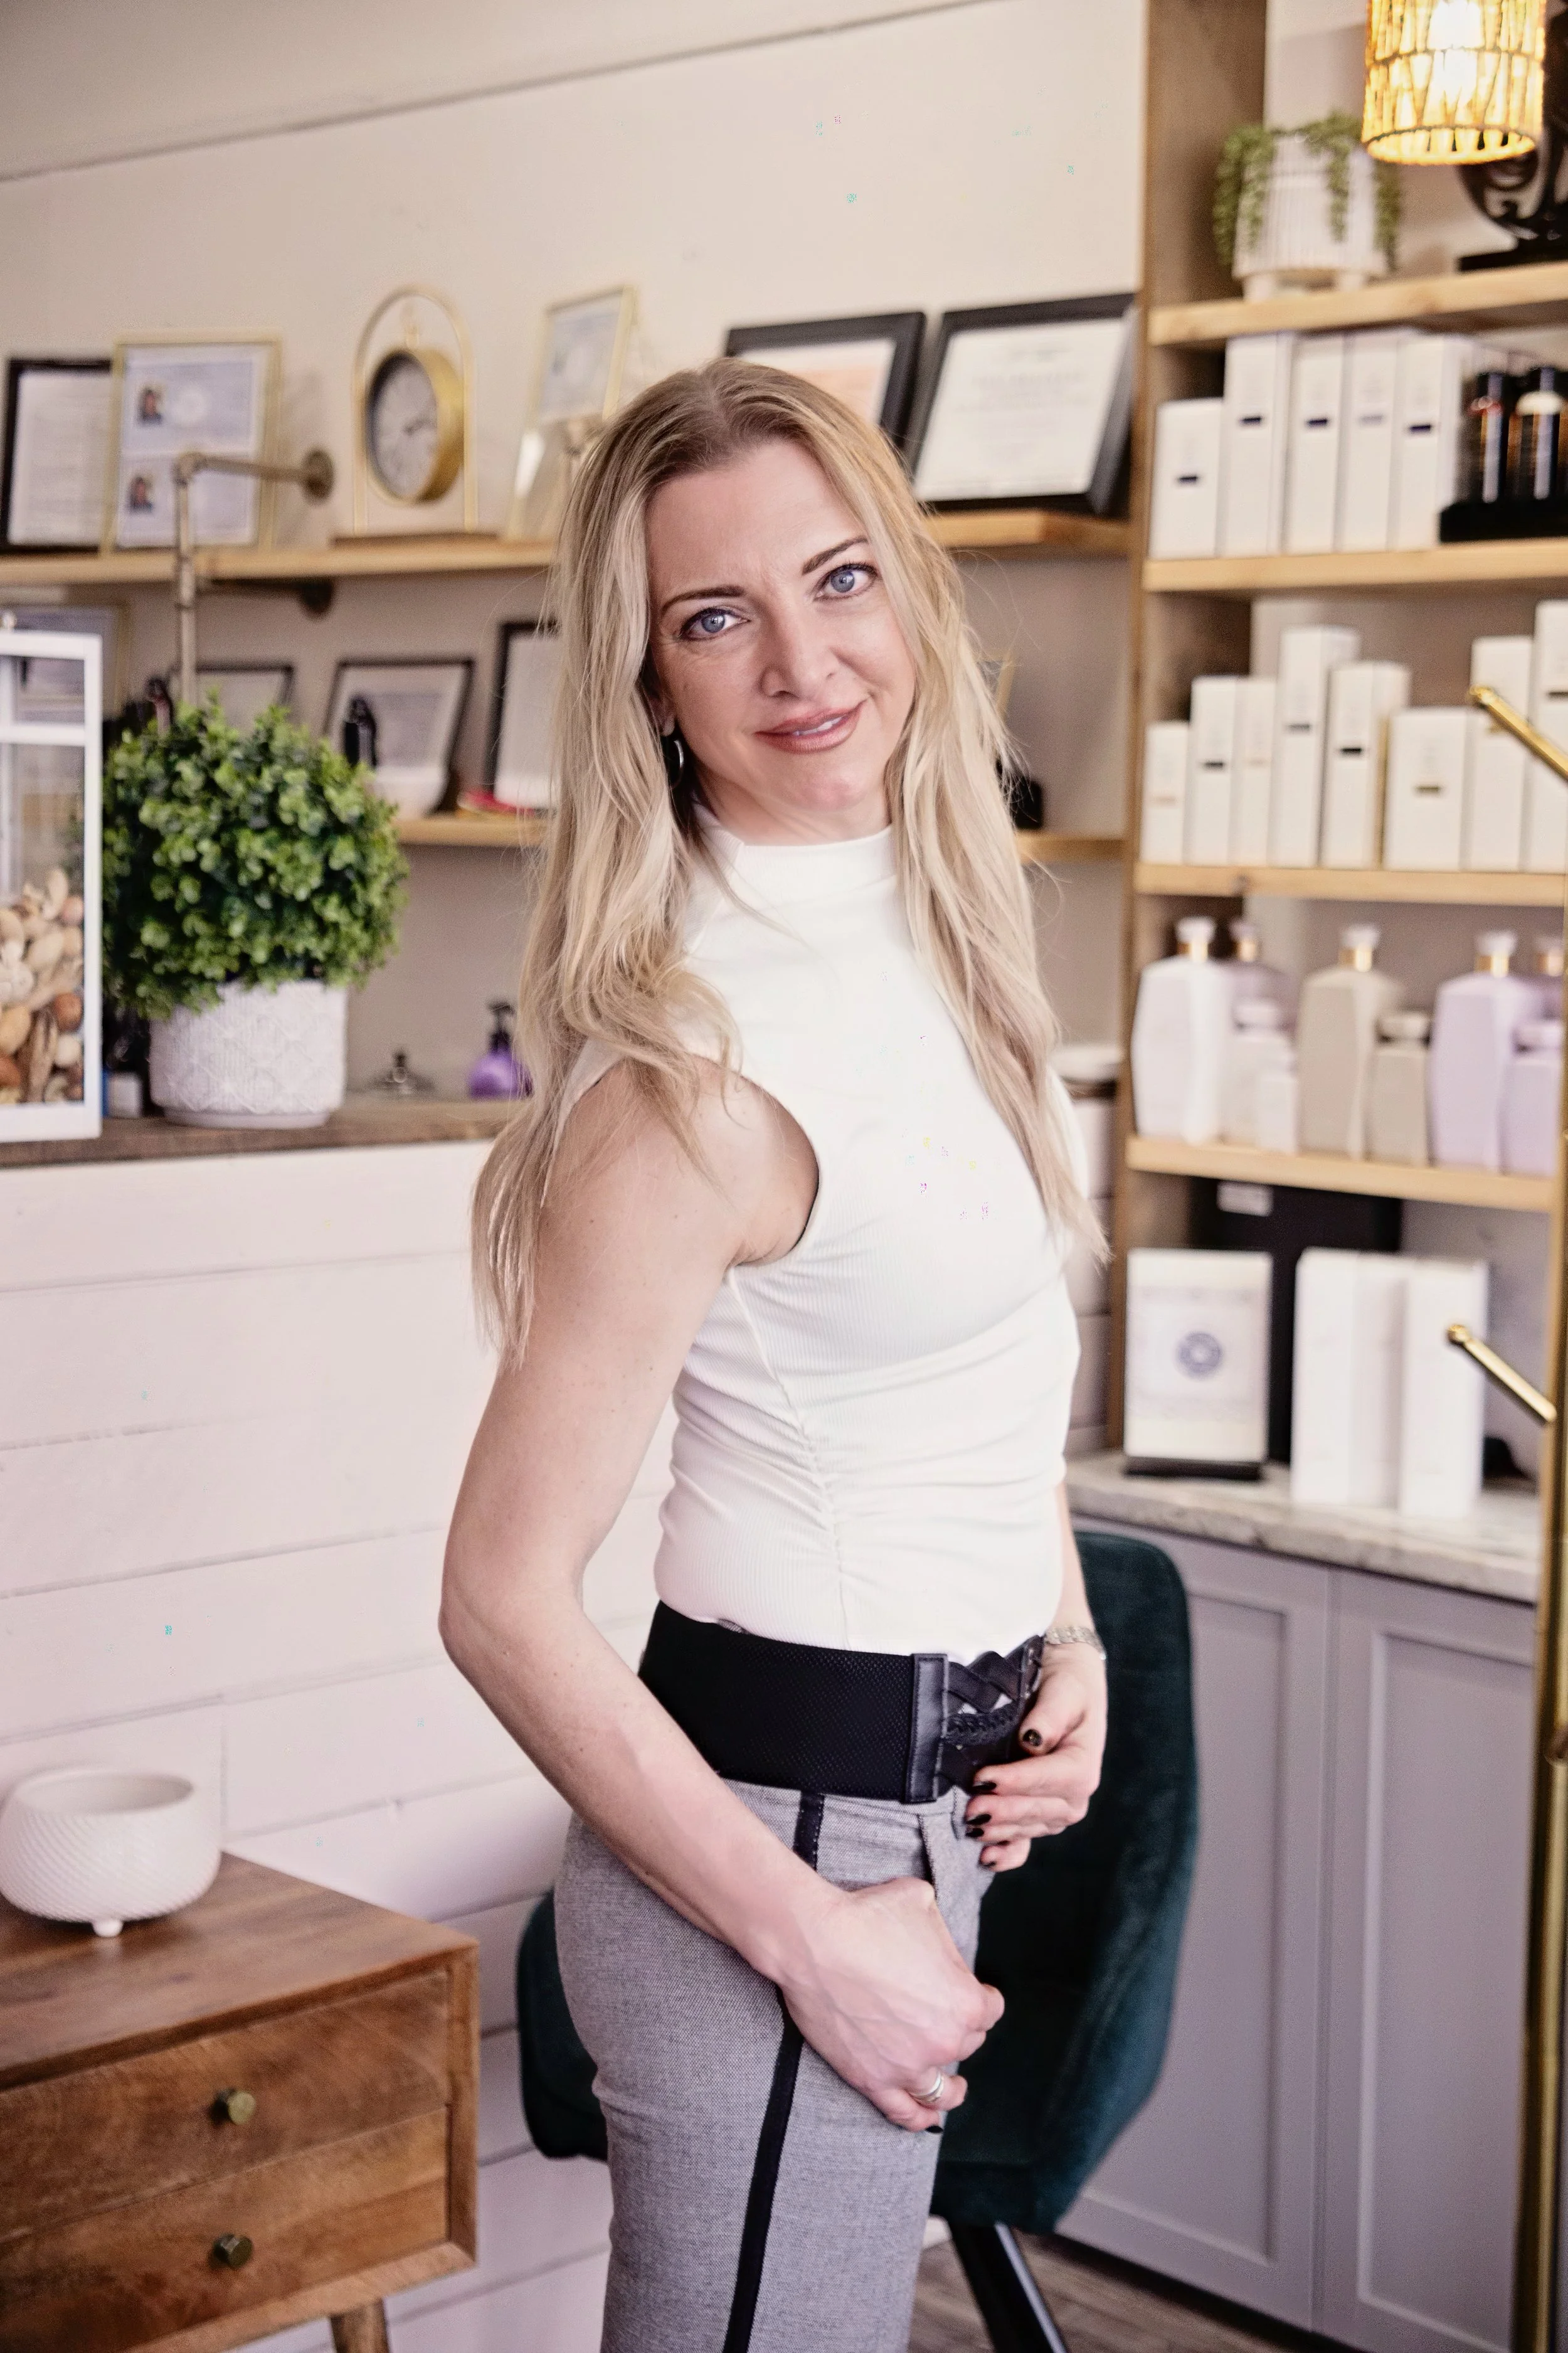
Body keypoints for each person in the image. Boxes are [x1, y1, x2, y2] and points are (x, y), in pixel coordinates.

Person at [442, 358, 1107, 2353]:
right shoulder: (686, 1071)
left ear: (908, 592)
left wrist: (1057, 1636)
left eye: (839, 583)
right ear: (646, 680)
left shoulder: (937, 934)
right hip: (779, 1848)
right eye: (715, 616)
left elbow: (973, 1362)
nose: (804, 662)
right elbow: (496, 1596)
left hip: (919, 1826)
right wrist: (811, 1936)